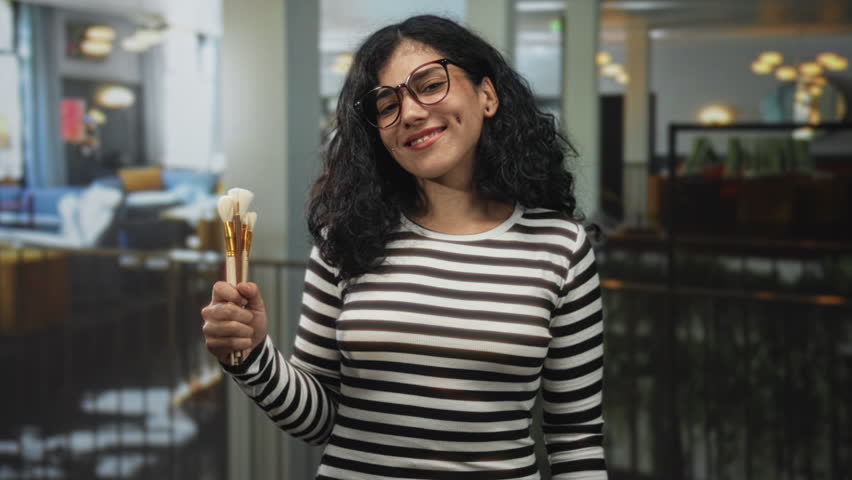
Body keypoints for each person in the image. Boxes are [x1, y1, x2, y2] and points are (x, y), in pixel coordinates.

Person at [201, 15, 606, 479]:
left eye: (431, 84)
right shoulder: (347, 237)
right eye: (386, 104)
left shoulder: (560, 245)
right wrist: (253, 355)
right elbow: (318, 420)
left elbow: (576, 435)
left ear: (487, 95)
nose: (410, 113)